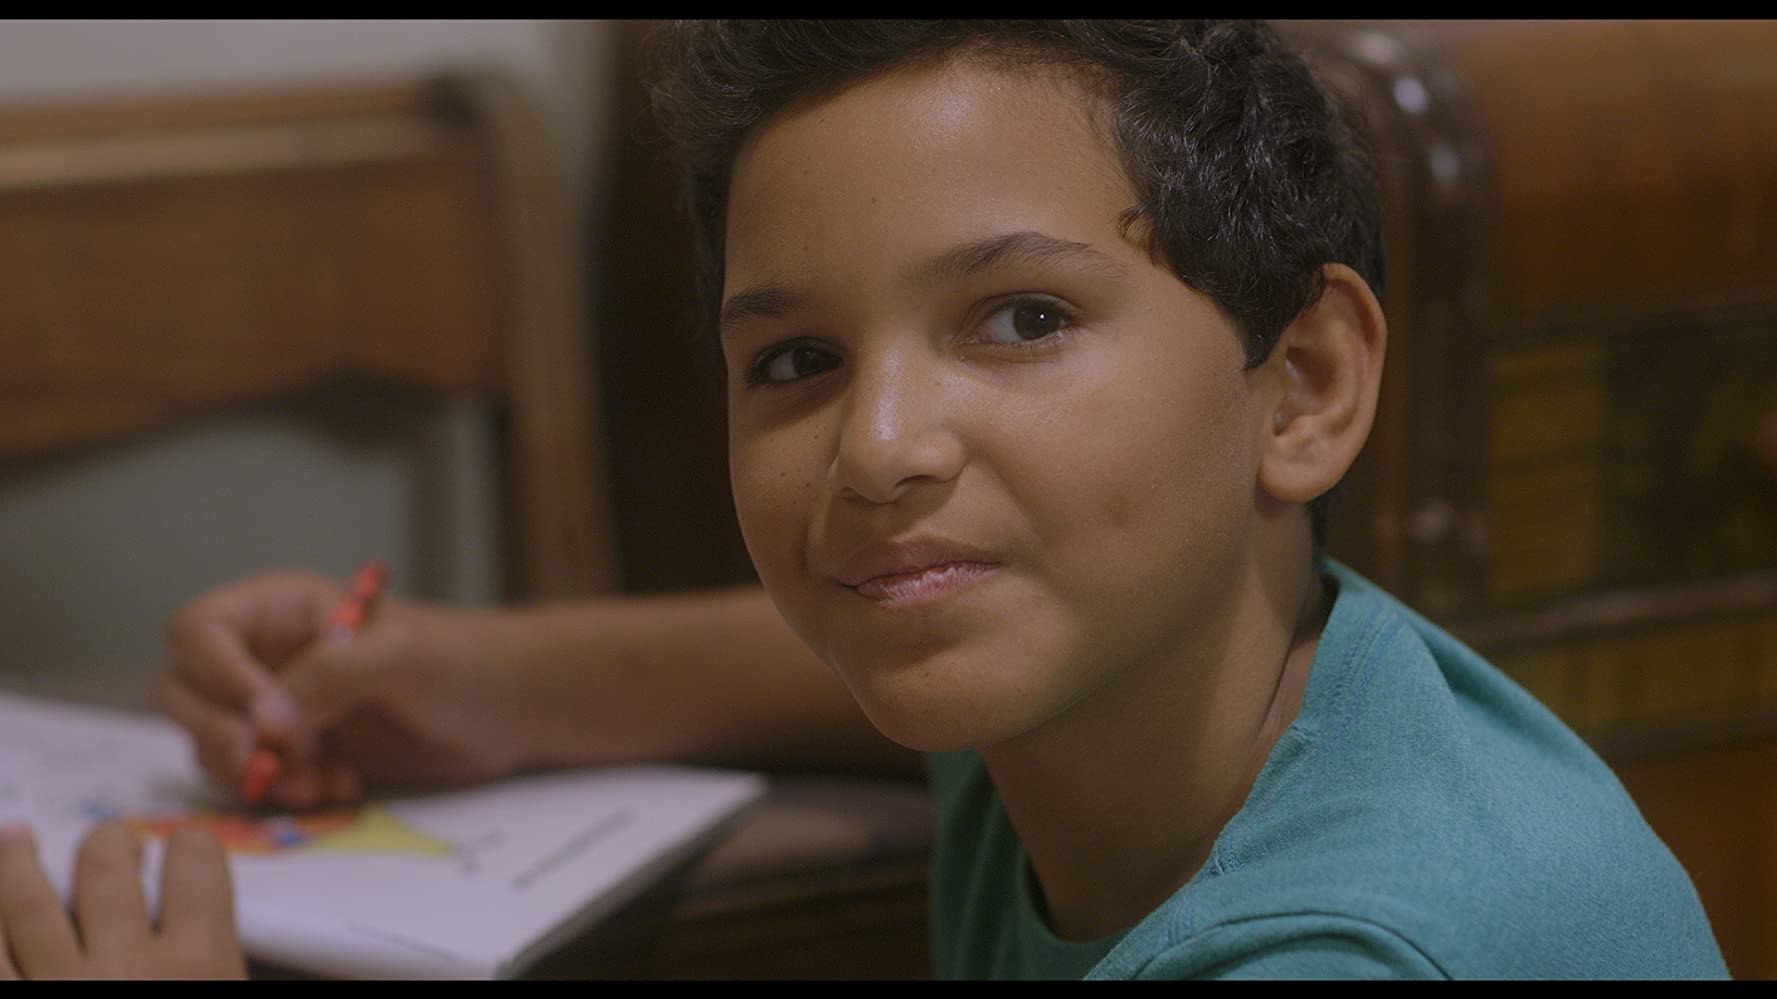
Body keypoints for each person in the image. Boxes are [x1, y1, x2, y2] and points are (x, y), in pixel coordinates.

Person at [0, 20, 1729, 980]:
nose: (878, 446)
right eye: (796, 359)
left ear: (1304, 385)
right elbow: (847, 653)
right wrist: (489, 680)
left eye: (1021, 320)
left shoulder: (1342, 952)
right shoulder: (1170, 662)